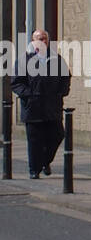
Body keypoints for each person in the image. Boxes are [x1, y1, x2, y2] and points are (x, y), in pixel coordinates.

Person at [9, 30, 71, 179]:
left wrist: (61, 92)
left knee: (57, 135)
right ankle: (34, 170)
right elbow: (16, 83)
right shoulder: (24, 60)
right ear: (32, 41)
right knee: (35, 140)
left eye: (44, 39)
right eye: (38, 39)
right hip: (33, 108)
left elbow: (65, 77)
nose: (42, 42)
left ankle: (45, 161)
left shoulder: (57, 59)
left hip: (52, 106)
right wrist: (29, 95)